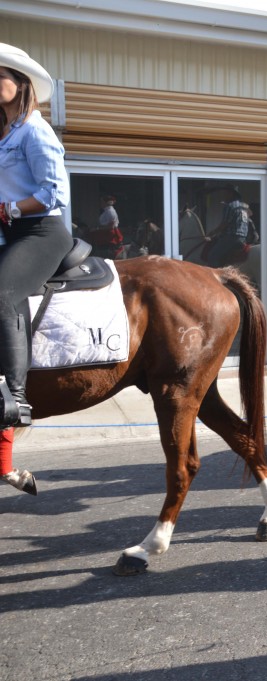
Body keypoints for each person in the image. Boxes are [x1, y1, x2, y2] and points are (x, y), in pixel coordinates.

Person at [0, 43, 74, 493]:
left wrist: (8, 209)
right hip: (10, 232)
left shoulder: (35, 130)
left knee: (2, 295)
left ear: (19, 83)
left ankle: (15, 397)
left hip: (42, 232)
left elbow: (53, 192)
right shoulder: (5, 133)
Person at [88, 194, 124, 259]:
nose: (100, 204)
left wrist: (97, 228)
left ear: (106, 203)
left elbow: (111, 227)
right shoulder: (106, 211)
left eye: (102, 202)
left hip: (108, 234)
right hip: (104, 231)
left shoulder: (110, 212)